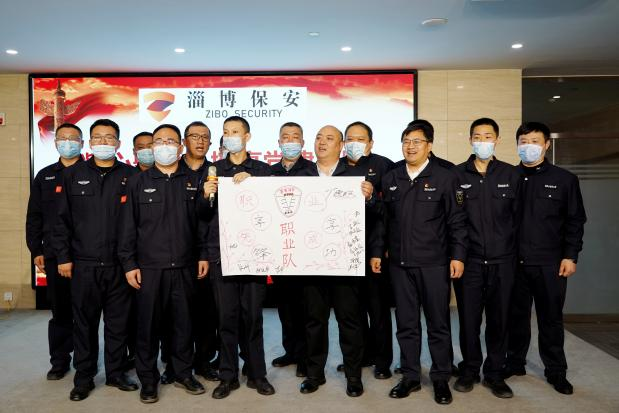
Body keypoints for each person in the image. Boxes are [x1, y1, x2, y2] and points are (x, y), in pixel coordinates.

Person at [372, 120, 467, 405]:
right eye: (406, 141)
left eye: (416, 141)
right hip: (400, 265)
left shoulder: (445, 177)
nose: (410, 146)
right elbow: (383, 222)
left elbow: (457, 221)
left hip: (434, 264)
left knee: (438, 323)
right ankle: (410, 376)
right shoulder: (392, 177)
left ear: (429, 145)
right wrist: (377, 251)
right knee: (406, 323)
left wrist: (458, 256)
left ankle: (440, 378)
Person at [119, 123, 207, 403]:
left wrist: (203, 255)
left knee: (184, 325)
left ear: (180, 146)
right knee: (147, 328)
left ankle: (183, 373)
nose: (164, 146)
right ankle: (148, 380)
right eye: (159, 141)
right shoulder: (137, 181)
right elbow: (127, 227)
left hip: (185, 265)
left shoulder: (192, 180)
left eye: (170, 141)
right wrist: (129, 264)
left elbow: (201, 223)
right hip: (149, 268)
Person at [52, 118, 138, 401]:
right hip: (83, 264)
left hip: (119, 266)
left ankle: (116, 373)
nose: (103, 142)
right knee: (84, 324)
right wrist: (63, 257)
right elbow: (61, 221)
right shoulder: (72, 175)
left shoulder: (131, 176)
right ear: (89, 143)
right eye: (98, 137)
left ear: (118, 143)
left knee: (118, 324)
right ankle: (84, 377)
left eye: (109, 137)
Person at [504, 121, 586, 395]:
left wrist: (570, 255)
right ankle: (514, 362)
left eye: (534, 141)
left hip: (550, 263)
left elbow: (575, 221)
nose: (528, 146)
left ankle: (556, 371)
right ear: (517, 145)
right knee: (515, 317)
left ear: (546, 145)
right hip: (513, 262)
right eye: (523, 141)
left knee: (550, 319)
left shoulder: (565, 179)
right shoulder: (507, 177)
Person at [199, 116, 275, 399]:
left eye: (235, 131)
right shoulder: (213, 170)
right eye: (226, 132)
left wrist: (254, 185)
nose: (230, 136)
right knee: (226, 318)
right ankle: (227, 376)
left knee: (253, 318)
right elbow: (202, 215)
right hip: (222, 254)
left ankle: (257, 374)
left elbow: (274, 207)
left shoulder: (263, 171)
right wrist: (205, 195)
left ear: (247, 136)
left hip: (254, 255)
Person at [299, 125, 373, 398]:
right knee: (314, 321)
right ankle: (314, 374)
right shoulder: (302, 175)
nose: (322, 142)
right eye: (318, 137)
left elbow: (376, 215)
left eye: (329, 138)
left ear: (341, 146)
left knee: (349, 321)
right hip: (311, 262)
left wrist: (369, 198)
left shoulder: (354, 176)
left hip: (345, 262)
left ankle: (353, 375)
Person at [453, 118, 520, 398]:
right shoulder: (457, 175)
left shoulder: (511, 174)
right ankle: (469, 369)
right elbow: (454, 219)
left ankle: (495, 373)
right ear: (470, 140)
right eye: (477, 137)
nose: (483, 141)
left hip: (503, 261)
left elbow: (519, 219)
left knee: (499, 320)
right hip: (469, 262)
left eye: (488, 136)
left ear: (497, 140)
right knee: (468, 320)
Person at [336, 121, 394, 380]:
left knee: (377, 309)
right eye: (350, 139)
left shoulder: (383, 166)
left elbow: (387, 214)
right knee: (352, 311)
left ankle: (382, 361)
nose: (354, 143)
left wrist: (378, 250)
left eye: (360, 139)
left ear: (371, 143)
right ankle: (358, 358)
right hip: (344, 252)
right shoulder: (336, 167)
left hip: (373, 251)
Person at [26, 122, 83, 381]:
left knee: (85, 312)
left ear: (82, 143)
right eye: (63, 138)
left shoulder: (90, 172)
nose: (68, 142)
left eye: (73, 138)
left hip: (85, 255)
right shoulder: (45, 175)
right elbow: (34, 216)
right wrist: (35, 249)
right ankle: (59, 361)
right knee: (60, 311)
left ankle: (84, 361)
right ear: (56, 142)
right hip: (53, 255)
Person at [269, 122, 313, 378]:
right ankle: (291, 351)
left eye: (295, 137)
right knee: (285, 307)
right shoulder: (269, 172)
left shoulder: (312, 171)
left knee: (304, 307)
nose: (290, 141)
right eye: (285, 137)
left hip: (304, 250)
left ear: (303, 143)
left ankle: (306, 357)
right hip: (279, 249)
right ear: (279, 142)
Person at [180, 121, 219, 382]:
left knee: (207, 312)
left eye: (205, 137)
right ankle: (176, 364)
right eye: (194, 136)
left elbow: (213, 217)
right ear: (185, 141)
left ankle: (204, 362)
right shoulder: (173, 171)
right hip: (177, 252)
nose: (200, 141)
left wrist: (205, 252)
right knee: (177, 312)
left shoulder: (216, 172)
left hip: (207, 253)